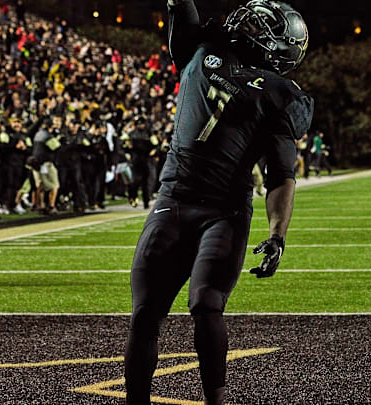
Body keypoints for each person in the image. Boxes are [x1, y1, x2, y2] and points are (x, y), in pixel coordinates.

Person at [124, 1, 312, 405]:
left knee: (206, 304)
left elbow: (281, 173)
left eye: (264, 25)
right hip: (172, 199)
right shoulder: (204, 45)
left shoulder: (280, 94)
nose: (248, 22)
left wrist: (278, 233)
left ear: (278, 47)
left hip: (223, 212)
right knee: (144, 313)